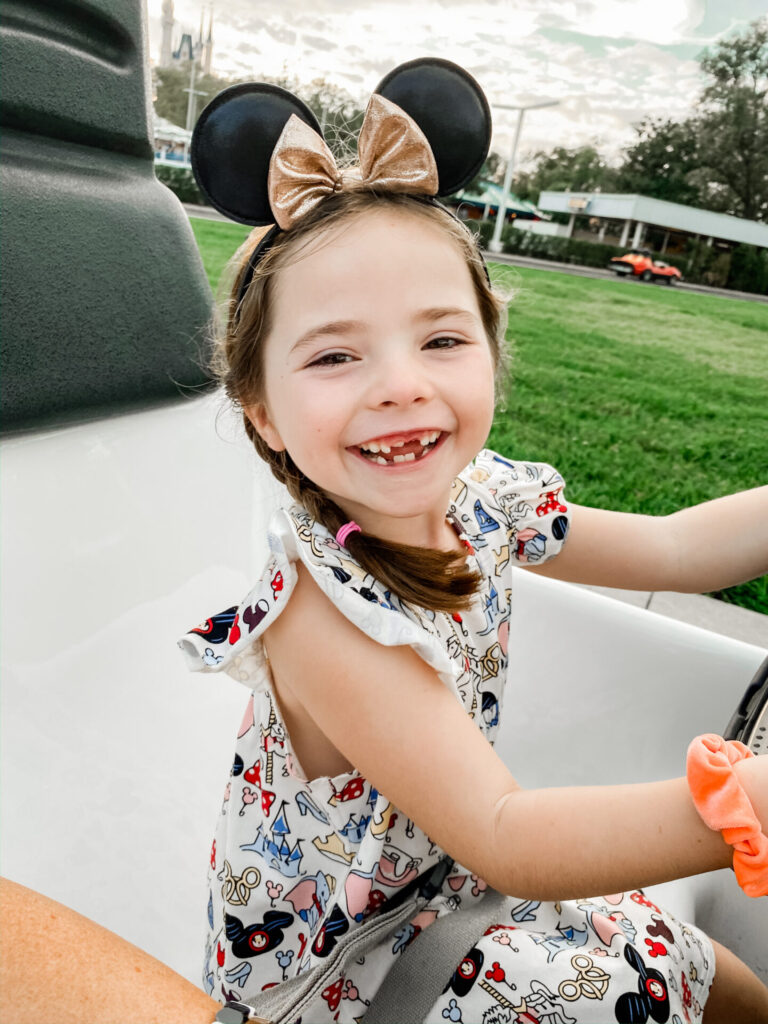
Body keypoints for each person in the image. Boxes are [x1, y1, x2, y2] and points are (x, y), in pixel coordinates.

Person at [1, 59, 766, 1024]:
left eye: (441, 340)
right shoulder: (321, 618)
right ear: (263, 412)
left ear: (492, 355)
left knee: (699, 965)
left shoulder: (485, 501)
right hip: (339, 971)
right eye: (335, 355)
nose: (402, 384)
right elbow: (508, 833)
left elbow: (677, 551)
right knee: (631, 990)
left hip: (443, 885)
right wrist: (744, 804)